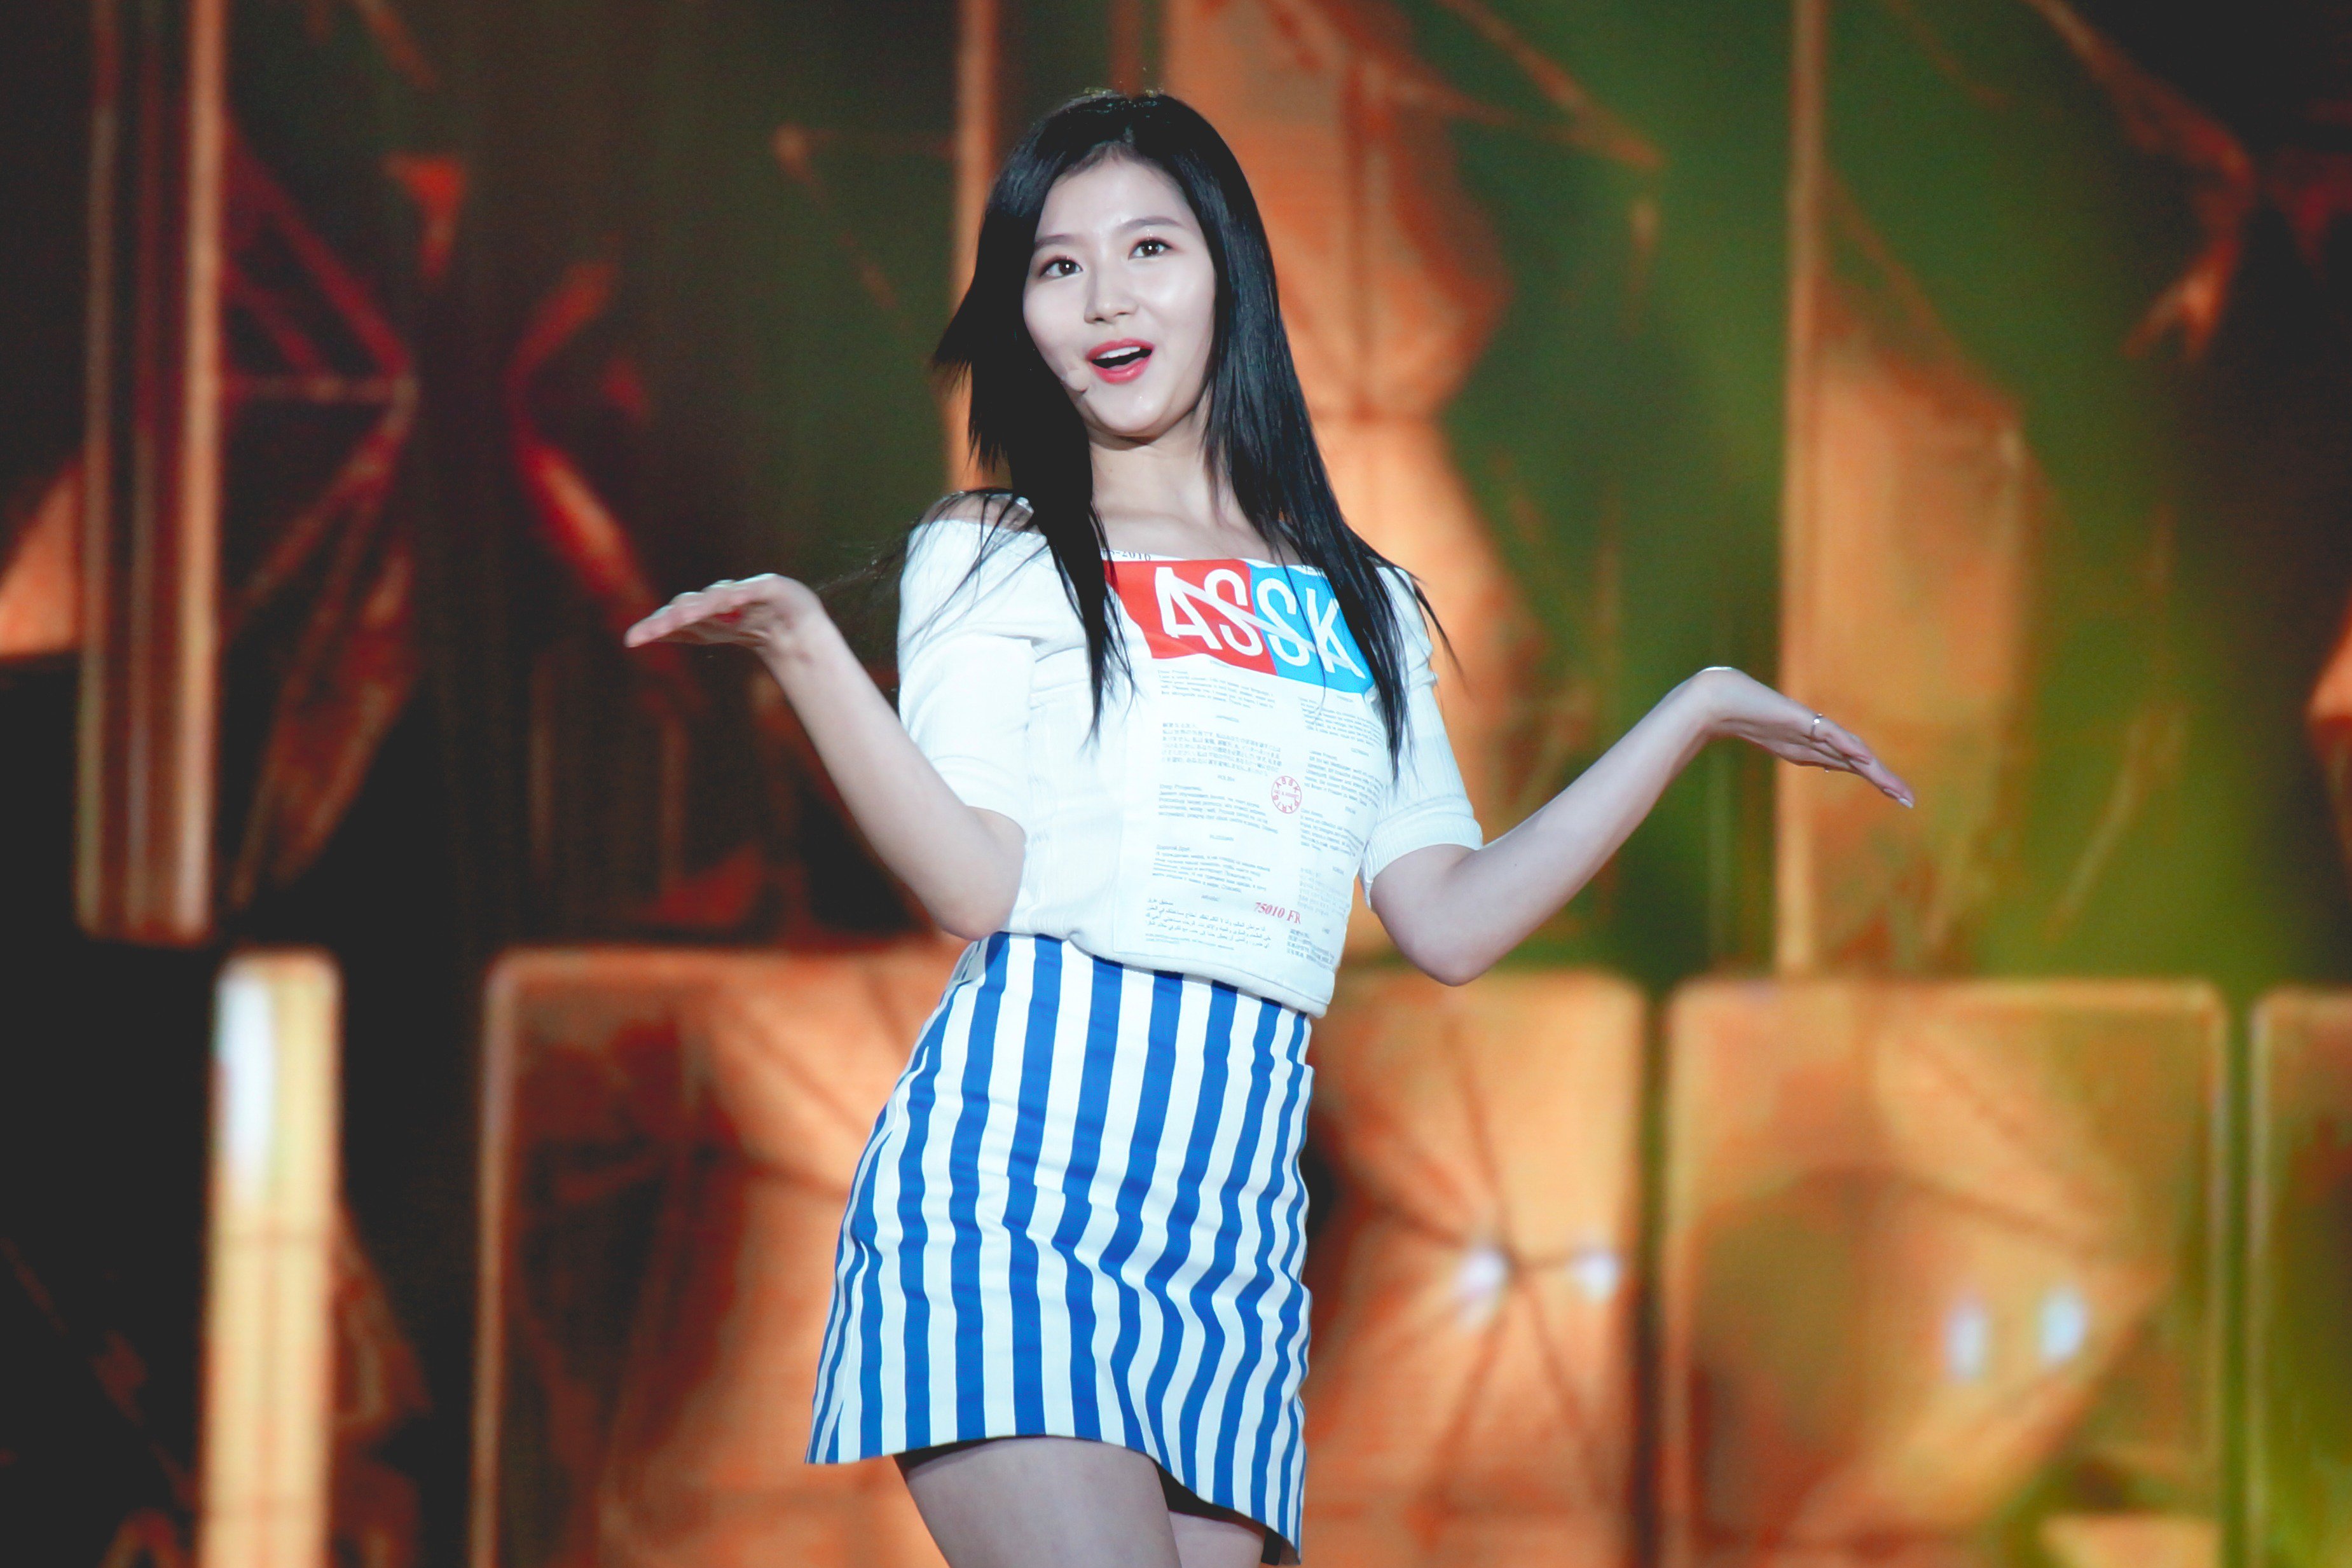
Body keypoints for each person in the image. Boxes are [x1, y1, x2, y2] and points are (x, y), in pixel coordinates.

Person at [624, 90, 1911, 1568]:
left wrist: (1685, 715)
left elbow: (1448, 920)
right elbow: (971, 884)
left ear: (1226, 271)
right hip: (1014, 1199)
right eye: (1056, 266)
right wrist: (804, 650)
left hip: (1233, 1246)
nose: (1104, 299)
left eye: (1147, 248)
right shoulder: (993, 553)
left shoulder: (1360, 600)